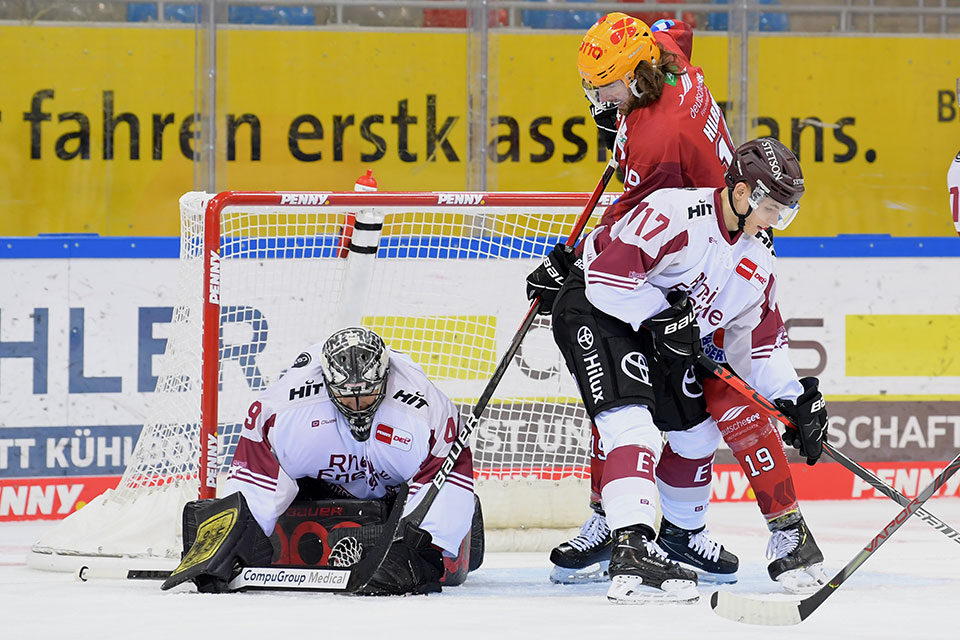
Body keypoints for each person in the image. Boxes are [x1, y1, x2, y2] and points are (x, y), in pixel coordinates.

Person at [529, 12, 826, 594]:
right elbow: (621, 259)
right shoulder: (665, 63)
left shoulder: (660, 149)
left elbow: (758, 335)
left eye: (605, 86)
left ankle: (688, 532)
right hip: (643, 282)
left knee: (707, 423)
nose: (597, 96)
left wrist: (795, 397)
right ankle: (620, 528)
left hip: (685, 272)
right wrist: (587, 263)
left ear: (639, 73)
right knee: (624, 410)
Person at [163, 326, 477, 595]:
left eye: (367, 394)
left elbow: (447, 475)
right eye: (346, 395)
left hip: (397, 493)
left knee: (434, 565)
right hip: (321, 486)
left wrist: (426, 548)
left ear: (385, 379)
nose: (357, 404)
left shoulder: (424, 408)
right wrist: (231, 539)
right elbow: (257, 476)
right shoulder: (284, 410)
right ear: (327, 385)